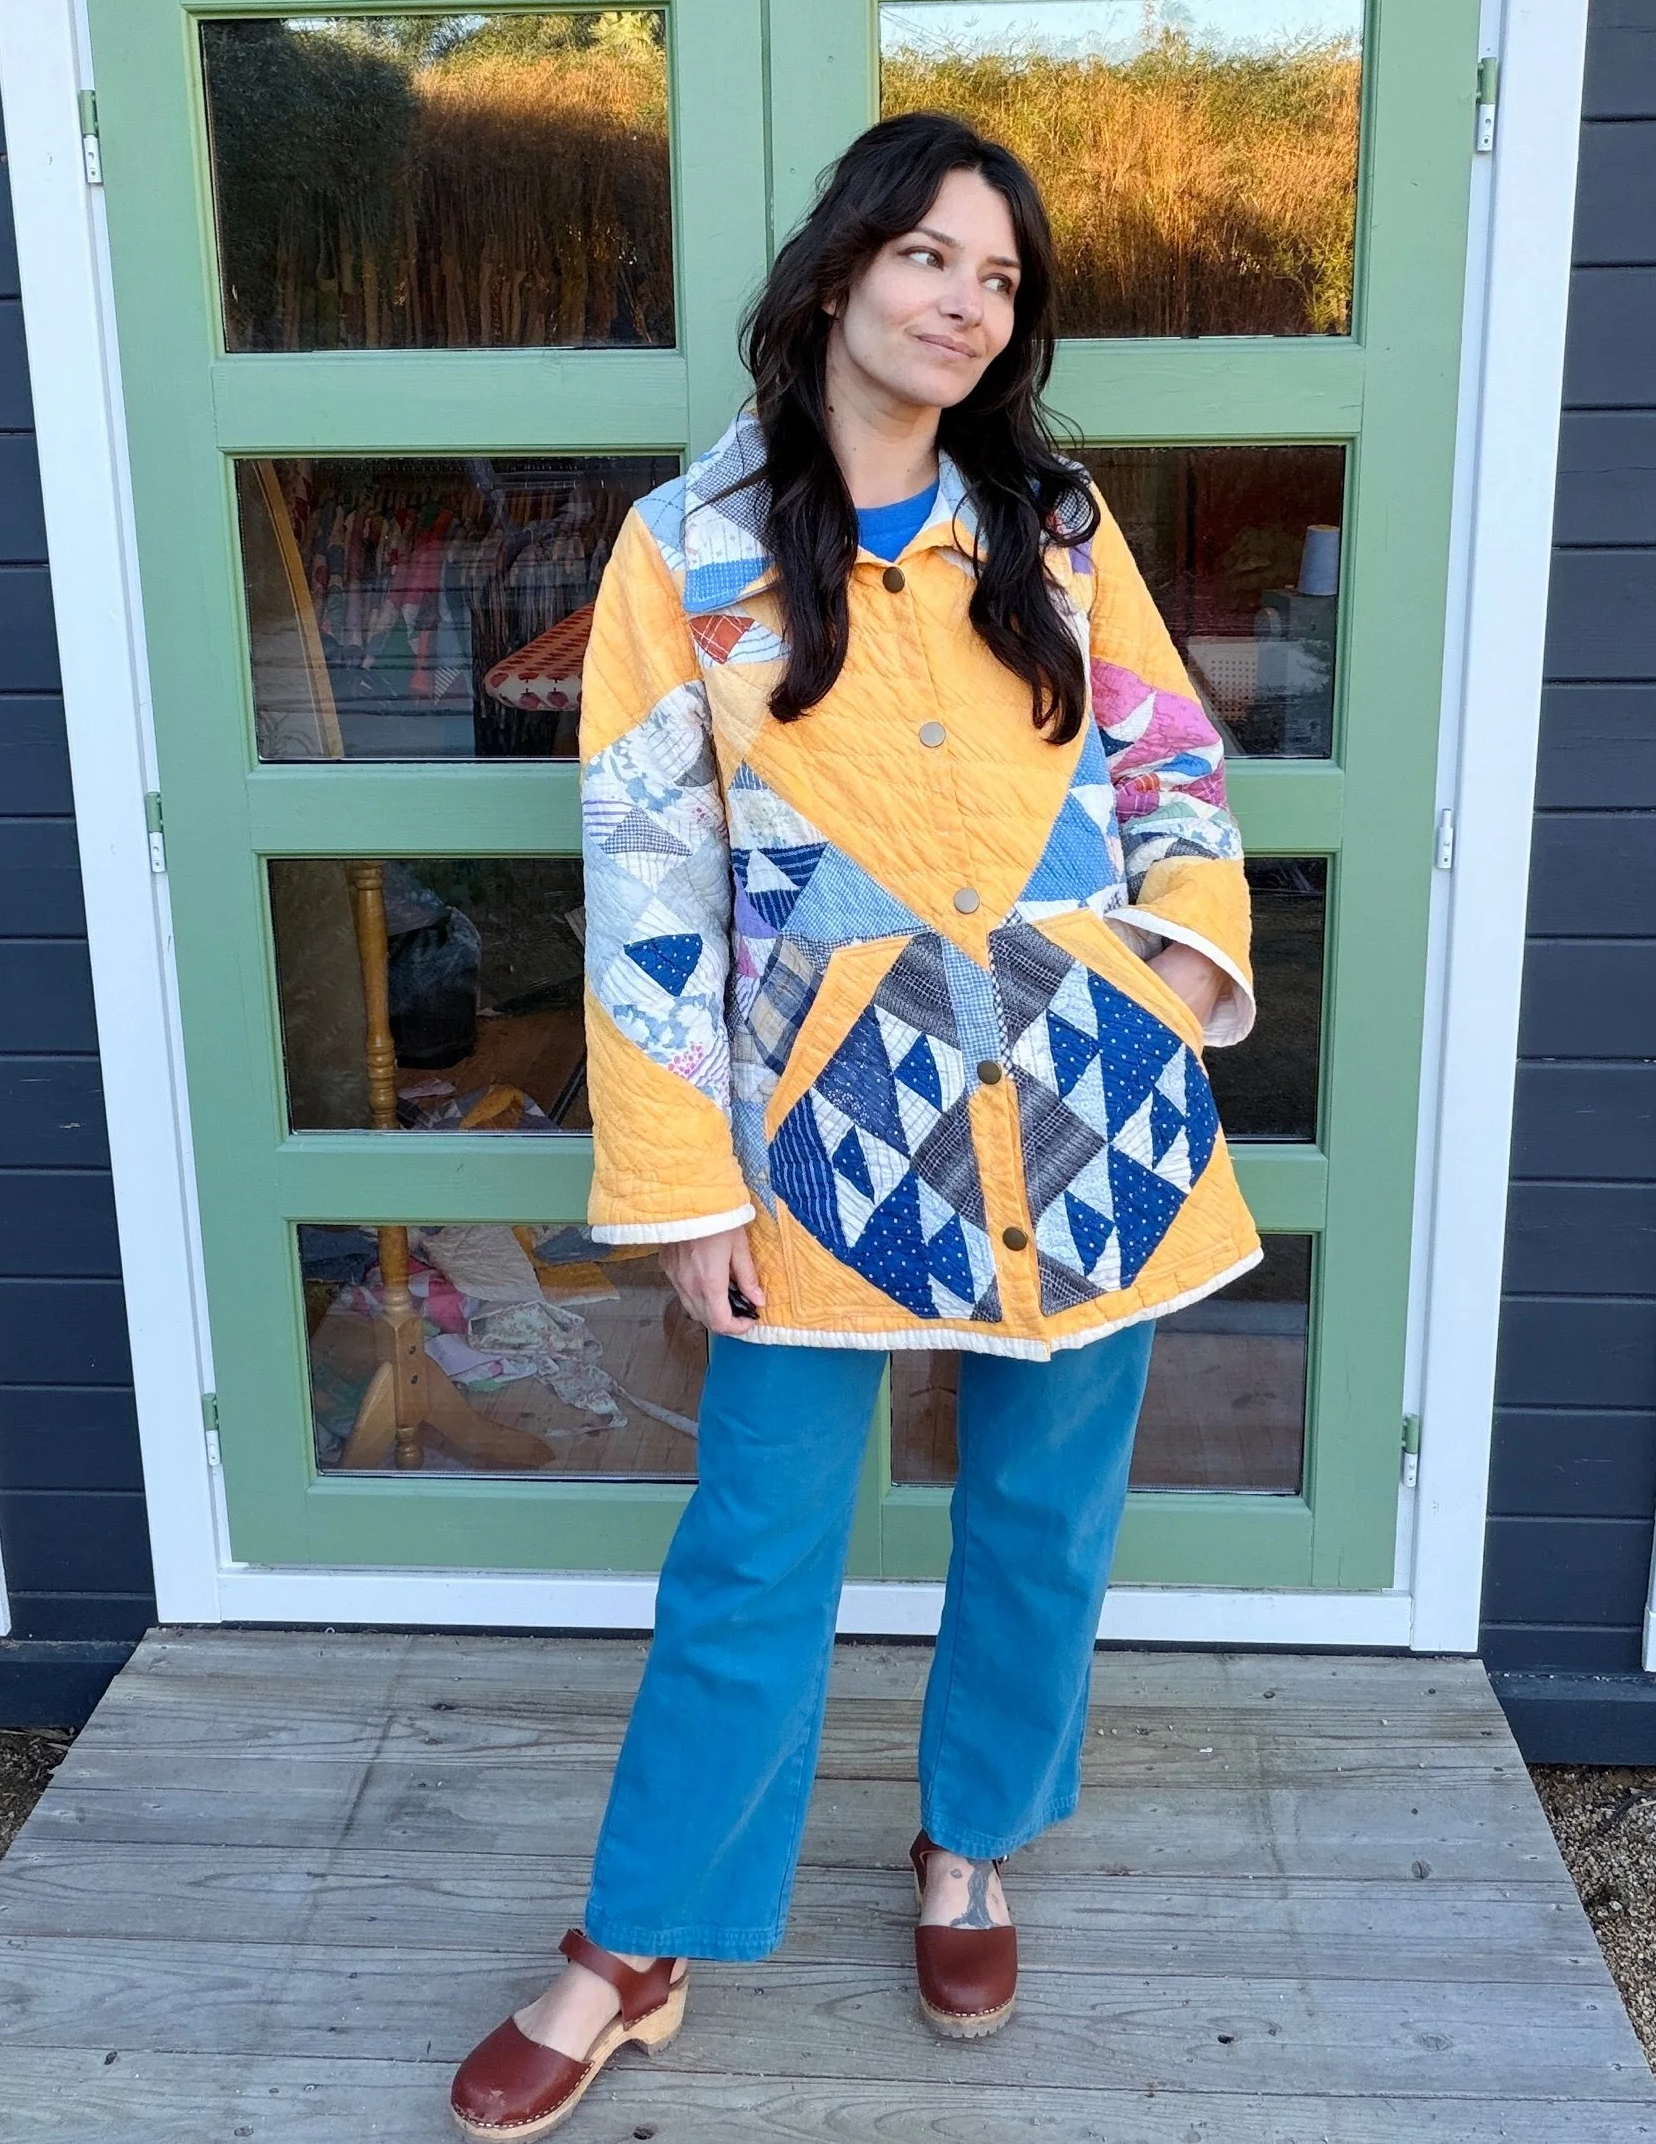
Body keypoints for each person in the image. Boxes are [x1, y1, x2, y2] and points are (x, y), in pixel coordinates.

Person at [450, 112, 1259, 2139]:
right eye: (929, 258)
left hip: (1080, 1099)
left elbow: (1170, 754)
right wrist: (679, 1182)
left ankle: (969, 1840)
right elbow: (647, 878)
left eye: (1000, 279)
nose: (965, 304)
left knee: (1044, 1506)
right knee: (755, 1538)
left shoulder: (1053, 525)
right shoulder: (685, 552)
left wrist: (1170, 985)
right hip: (825, 1123)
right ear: (838, 273)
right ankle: (638, 1939)